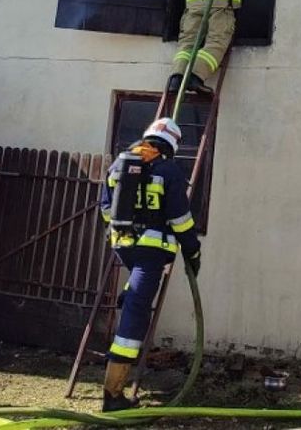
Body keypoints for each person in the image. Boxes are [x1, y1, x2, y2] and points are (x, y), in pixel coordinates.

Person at [98, 117, 201, 412]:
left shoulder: (119, 165)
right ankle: (113, 394)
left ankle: (130, 295)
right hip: (151, 255)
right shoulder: (168, 170)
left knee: (135, 295)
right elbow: (181, 221)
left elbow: (105, 208)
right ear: (172, 144)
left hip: (123, 248)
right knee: (136, 314)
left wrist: (123, 235)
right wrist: (193, 253)